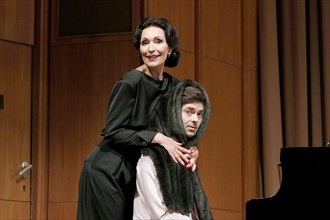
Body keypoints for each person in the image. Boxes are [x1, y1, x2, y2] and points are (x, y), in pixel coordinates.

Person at [76, 17, 200, 220]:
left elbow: (180, 131)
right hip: (107, 172)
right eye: (145, 43)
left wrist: (193, 151)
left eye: (158, 41)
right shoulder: (130, 82)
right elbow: (113, 133)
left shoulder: (175, 87)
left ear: (170, 49)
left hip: (136, 172)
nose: (151, 48)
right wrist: (158, 138)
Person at [133, 79, 213, 220]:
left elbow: (189, 213)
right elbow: (159, 213)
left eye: (199, 114)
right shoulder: (150, 158)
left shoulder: (187, 158)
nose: (195, 119)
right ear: (174, 113)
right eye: (189, 111)